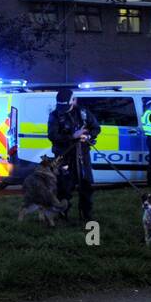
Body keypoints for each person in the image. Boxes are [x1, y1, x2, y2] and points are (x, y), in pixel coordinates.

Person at [47, 87, 102, 222]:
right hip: (64, 156)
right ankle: (62, 215)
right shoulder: (55, 115)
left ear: (74, 100)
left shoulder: (83, 113)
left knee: (87, 186)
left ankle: (86, 215)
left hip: (82, 154)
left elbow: (96, 128)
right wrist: (72, 136)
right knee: (64, 188)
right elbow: (52, 136)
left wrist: (87, 135)